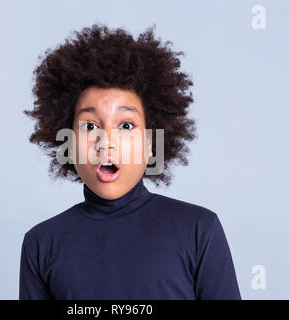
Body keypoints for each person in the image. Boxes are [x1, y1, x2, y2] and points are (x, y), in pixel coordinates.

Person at [19, 23, 241, 300]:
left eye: (125, 125)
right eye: (89, 126)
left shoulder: (198, 230)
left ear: (150, 143)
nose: (106, 141)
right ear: (68, 142)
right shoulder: (41, 243)